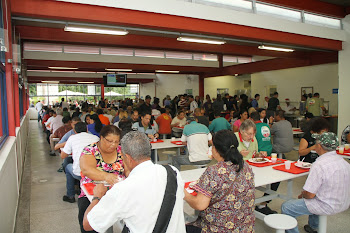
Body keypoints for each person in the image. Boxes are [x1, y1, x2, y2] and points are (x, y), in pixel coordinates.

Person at [83, 131, 186, 233]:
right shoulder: (172, 171)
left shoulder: (123, 189)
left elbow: (88, 224)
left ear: (127, 158)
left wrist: (97, 197)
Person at [184, 130, 255, 233]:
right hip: (245, 228)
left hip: (217, 229)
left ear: (216, 149)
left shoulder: (214, 171)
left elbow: (199, 205)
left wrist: (183, 193)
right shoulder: (246, 166)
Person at [282, 132, 350, 233]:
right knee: (316, 196)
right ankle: (313, 226)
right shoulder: (344, 162)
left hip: (327, 205)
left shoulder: (319, 165)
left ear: (319, 146)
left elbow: (309, 195)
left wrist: (303, 195)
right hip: (344, 202)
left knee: (287, 207)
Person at [78, 125, 125, 233]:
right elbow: (87, 170)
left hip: (119, 192)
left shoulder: (121, 151)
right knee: (88, 219)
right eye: (109, 141)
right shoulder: (90, 150)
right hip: (91, 193)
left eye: (116, 141)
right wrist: (107, 177)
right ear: (101, 138)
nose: (113, 145)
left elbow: (128, 169)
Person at [61, 122, 100, 203]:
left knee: (68, 167)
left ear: (75, 131)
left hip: (80, 173)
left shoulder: (72, 138)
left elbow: (63, 155)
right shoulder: (96, 138)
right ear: (87, 129)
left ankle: (70, 195)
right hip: (95, 173)